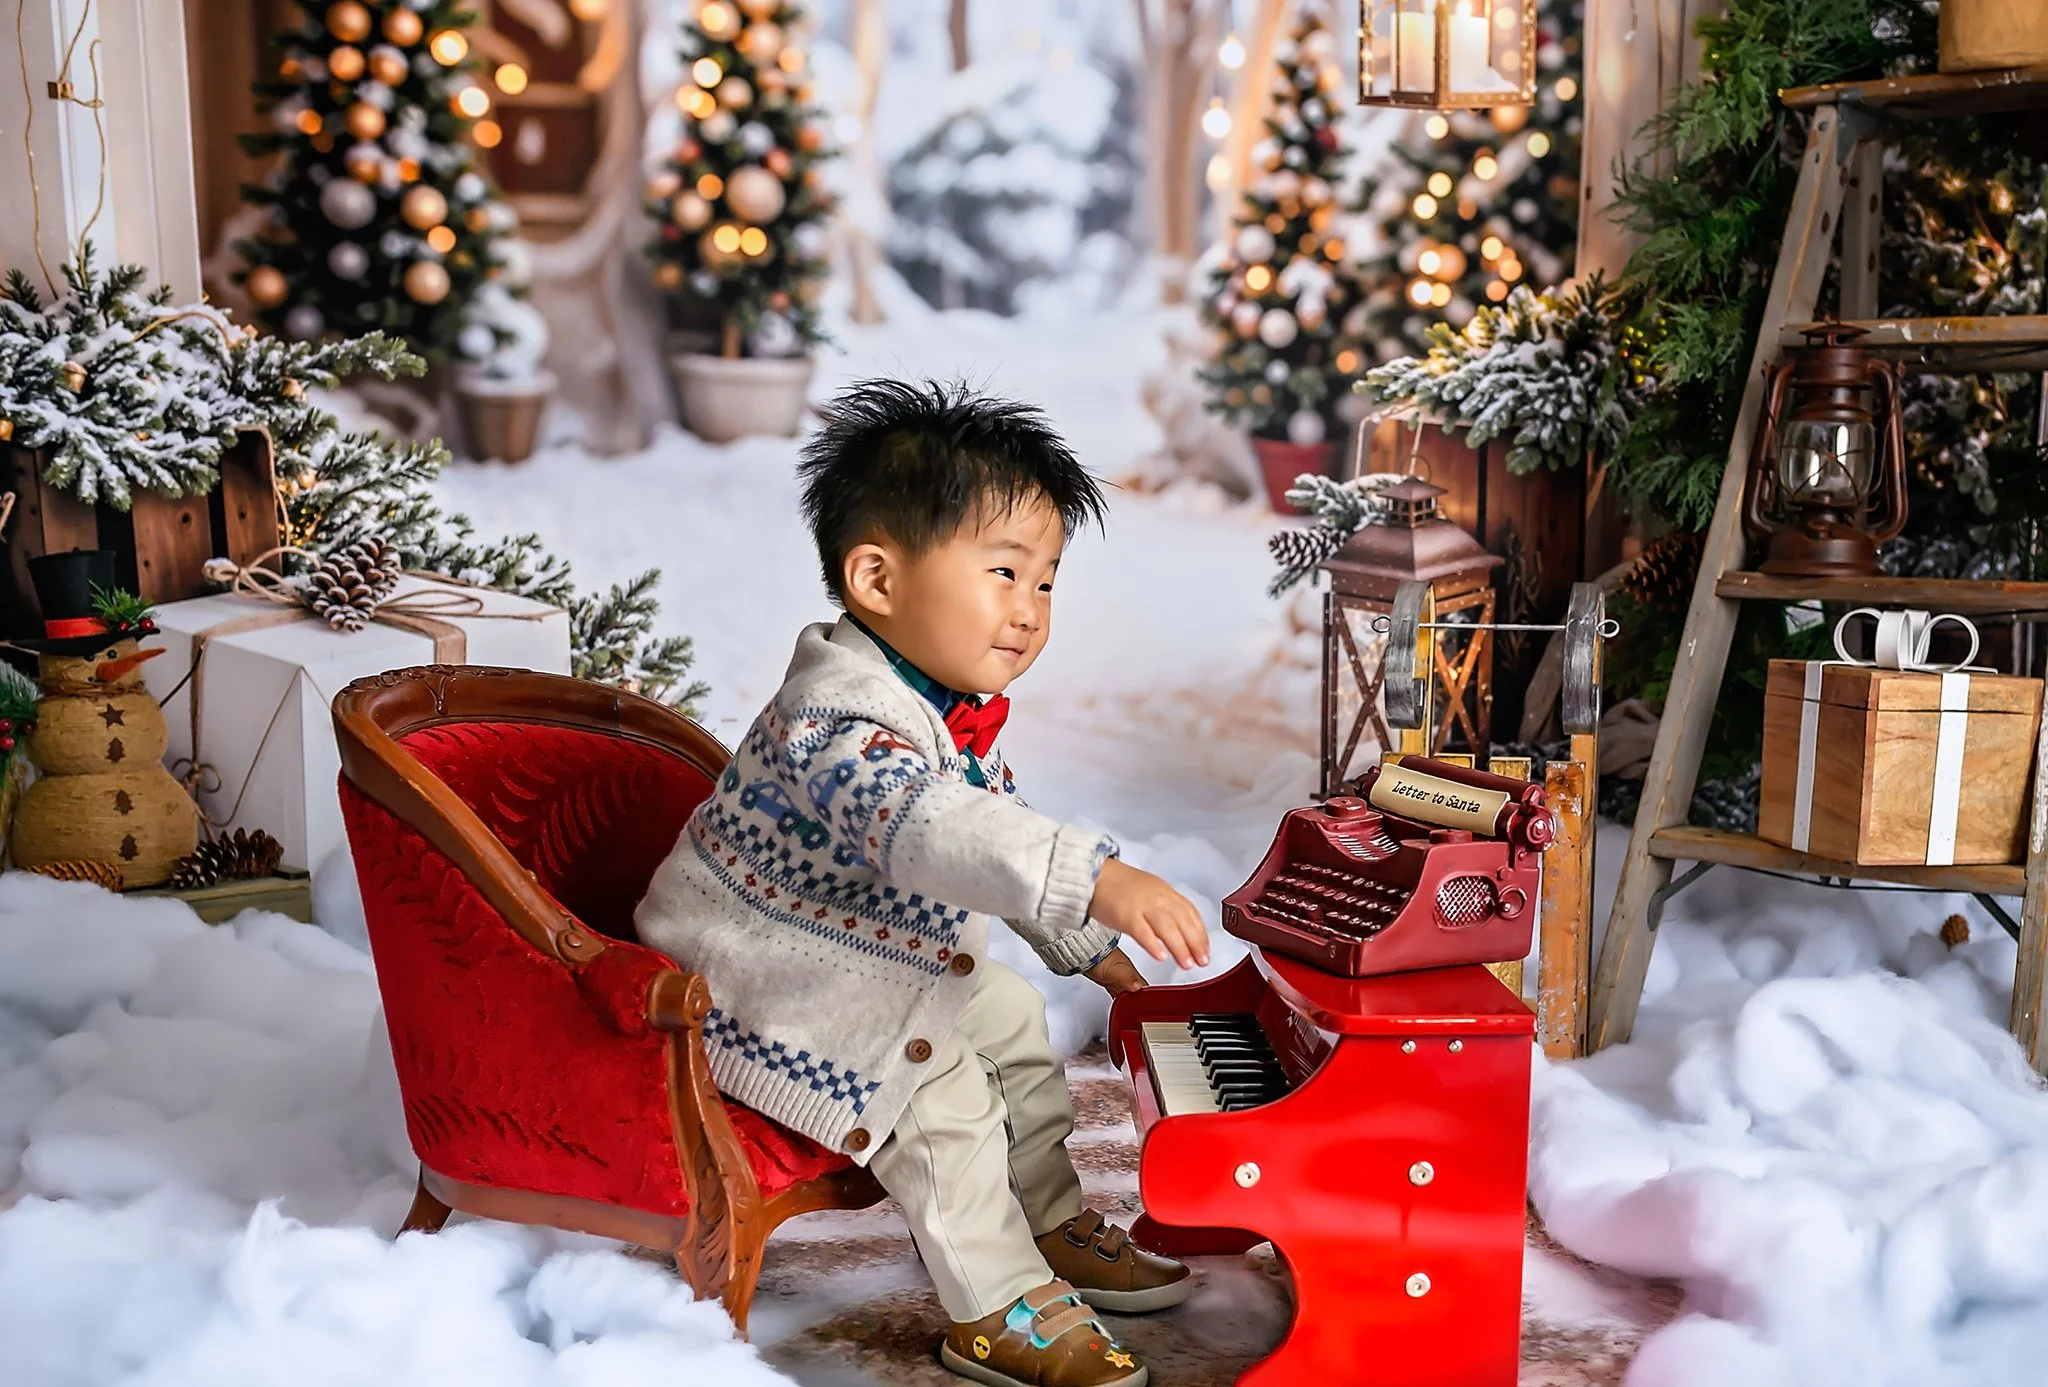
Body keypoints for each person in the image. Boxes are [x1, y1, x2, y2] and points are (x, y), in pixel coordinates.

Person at [635, 379, 1212, 1387]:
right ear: (875, 577)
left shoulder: (942, 709)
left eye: (1045, 583)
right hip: (759, 977)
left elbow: (1000, 829)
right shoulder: (837, 717)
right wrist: (1098, 876)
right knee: (936, 1088)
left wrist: (1098, 956)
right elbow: (930, 830)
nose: (1029, 613)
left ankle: (1046, 1220)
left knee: (1011, 1025)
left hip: (861, 951)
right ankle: (991, 1301)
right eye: (1002, 573)